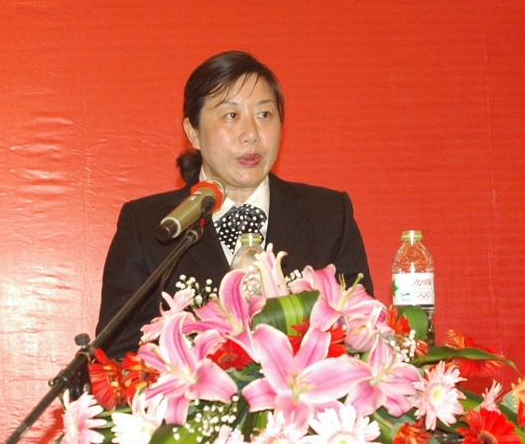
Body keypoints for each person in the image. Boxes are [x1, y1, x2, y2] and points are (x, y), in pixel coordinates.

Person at [96, 50, 372, 359]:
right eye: (231, 116)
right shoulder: (149, 226)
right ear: (193, 132)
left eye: (264, 115)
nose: (251, 134)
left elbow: (362, 335)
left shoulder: (328, 216)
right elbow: (119, 355)